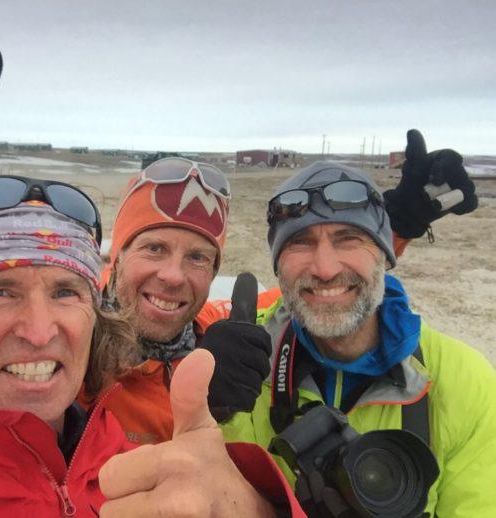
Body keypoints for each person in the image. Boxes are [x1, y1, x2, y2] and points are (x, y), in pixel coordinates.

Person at [0, 40, 304, 517]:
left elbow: (308, 294)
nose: (174, 275)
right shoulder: (74, 364)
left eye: (199, 259)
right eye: (154, 247)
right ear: (117, 258)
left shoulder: (203, 342)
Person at [204, 161, 496, 517]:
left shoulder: (465, 381)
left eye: (349, 239)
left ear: (385, 255)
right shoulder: (245, 363)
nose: (325, 269)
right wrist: (211, 409)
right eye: (300, 242)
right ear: (278, 268)